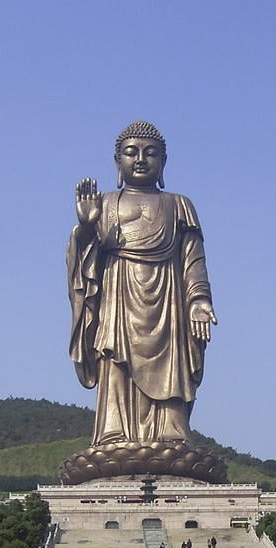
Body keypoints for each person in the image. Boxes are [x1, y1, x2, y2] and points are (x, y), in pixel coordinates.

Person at [69, 121, 217, 449]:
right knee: (115, 362)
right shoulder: (105, 203)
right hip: (118, 297)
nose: (140, 159)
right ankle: (114, 435)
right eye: (130, 152)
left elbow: (193, 258)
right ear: (117, 161)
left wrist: (199, 300)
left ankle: (171, 436)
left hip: (168, 302)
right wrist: (86, 229)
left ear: (163, 162)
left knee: (171, 369)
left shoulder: (179, 204)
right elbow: (83, 263)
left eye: (150, 153)